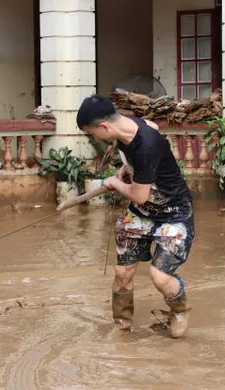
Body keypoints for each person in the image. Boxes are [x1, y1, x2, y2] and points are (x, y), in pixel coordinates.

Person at [76, 94, 195, 338]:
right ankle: (122, 326)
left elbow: (138, 195)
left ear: (104, 126)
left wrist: (113, 182)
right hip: (143, 212)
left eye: (92, 133)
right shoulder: (126, 124)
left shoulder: (147, 147)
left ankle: (180, 309)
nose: (94, 138)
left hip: (173, 212)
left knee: (160, 276)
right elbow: (152, 125)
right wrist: (128, 168)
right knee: (122, 274)